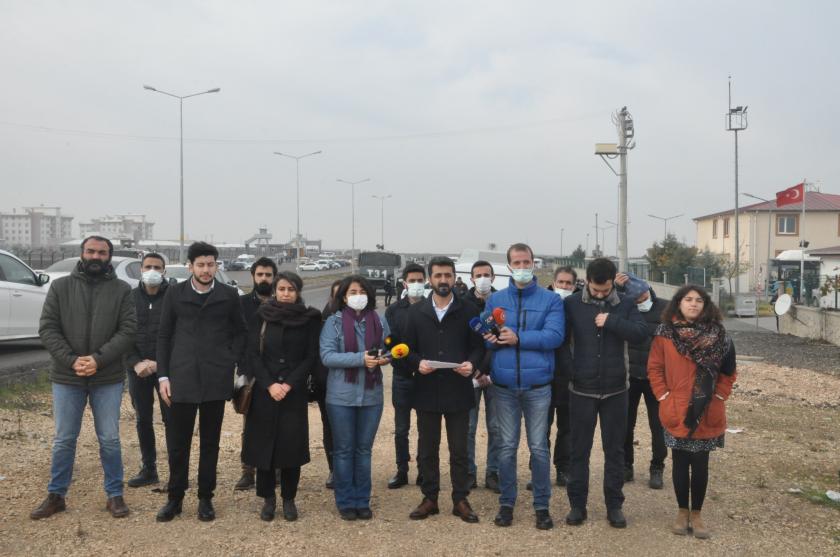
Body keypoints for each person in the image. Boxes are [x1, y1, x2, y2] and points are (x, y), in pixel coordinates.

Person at [32, 236, 137, 520]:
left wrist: (97, 359)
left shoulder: (121, 290)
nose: (95, 256)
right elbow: (48, 328)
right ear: (82, 254)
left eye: (102, 253)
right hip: (67, 376)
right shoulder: (60, 287)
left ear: (109, 257)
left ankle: (114, 495)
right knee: (64, 438)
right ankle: (56, 495)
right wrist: (72, 359)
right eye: (90, 251)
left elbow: (128, 331)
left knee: (110, 438)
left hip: (108, 377)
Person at [155, 242, 247, 522]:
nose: (206, 270)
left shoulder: (229, 295)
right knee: (178, 443)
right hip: (180, 378)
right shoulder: (175, 293)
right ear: (190, 266)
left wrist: (227, 359)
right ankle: (175, 498)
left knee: (210, 443)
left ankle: (206, 498)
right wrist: (163, 375)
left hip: (214, 380)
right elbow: (164, 336)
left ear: (217, 265)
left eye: (211, 264)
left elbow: (241, 333)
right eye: (201, 265)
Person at [560, 258, 648, 529]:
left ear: (613, 282)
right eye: (595, 289)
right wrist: (571, 371)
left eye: (605, 289)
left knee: (615, 451)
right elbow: (561, 343)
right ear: (587, 281)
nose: (600, 294)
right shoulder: (571, 304)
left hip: (616, 390)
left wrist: (612, 321)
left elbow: (640, 334)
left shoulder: (626, 303)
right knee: (578, 451)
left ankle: (614, 505)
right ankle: (577, 505)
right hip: (581, 389)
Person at [484, 244, 565, 530]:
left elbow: (554, 336)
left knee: (539, 448)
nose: (522, 266)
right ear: (508, 266)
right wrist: (490, 339)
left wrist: (519, 337)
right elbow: (485, 334)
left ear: (533, 263)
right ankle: (506, 503)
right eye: (516, 262)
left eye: (526, 261)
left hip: (538, 386)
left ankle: (542, 506)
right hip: (504, 386)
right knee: (506, 448)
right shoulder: (495, 299)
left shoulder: (551, 300)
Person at [648, 285, 736, 540]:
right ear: (678, 303)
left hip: (708, 409)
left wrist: (719, 396)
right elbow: (655, 368)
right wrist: (664, 397)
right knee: (679, 461)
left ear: (706, 304)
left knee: (700, 464)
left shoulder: (720, 335)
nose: (693, 304)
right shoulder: (665, 333)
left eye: (699, 300)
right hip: (676, 408)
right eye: (688, 299)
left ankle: (696, 514)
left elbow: (729, 372)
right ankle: (681, 511)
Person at [403, 257, 485, 523]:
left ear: (454, 278)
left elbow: (480, 346)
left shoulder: (470, 310)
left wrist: (472, 364)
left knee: (459, 449)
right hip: (426, 389)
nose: (443, 280)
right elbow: (404, 350)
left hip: (458, 390)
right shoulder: (415, 313)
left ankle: (460, 498)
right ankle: (430, 498)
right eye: (438, 276)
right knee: (427, 448)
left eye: (448, 275)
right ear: (430, 279)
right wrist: (417, 363)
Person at [242, 272, 321, 522]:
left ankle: (288, 498)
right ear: (275, 290)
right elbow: (253, 354)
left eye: (291, 289)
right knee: (264, 446)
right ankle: (268, 499)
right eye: (282, 288)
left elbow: (311, 356)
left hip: (293, 392)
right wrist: (269, 384)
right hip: (265, 392)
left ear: (298, 292)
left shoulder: (309, 319)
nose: (286, 293)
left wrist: (288, 384)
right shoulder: (262, 316)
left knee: (291, 448)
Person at [320, 275, 390, 521]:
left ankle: (362, 499)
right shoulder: (333, 323)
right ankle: (345, 500)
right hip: (341, 397)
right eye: (352, 291)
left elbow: (388, 349)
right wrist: (361, 359)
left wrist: (386, 357)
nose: (358, 295)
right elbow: (327, 356)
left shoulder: (379, 321)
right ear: (344, 297)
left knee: (363, 450)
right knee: (343, 450)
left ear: (369, 295)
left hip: (372, 396)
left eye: (362, 291)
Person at [615, 272, 669, 489]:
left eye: (643, 295)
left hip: (656, 379)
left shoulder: (666, 309)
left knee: (658, 426)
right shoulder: (625, 307)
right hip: (629, 377)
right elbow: (611, 311)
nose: (641, 300)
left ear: (648, 290)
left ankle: (657, 467)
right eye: (636, 298)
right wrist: (618, 291)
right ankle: (626, 465)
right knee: (625, 424)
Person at [125, 252, 171, 489]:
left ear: (164, 270)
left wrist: (160, 364)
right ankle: (149, 469)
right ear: (141, 270)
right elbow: (121, 334)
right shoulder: (129, 298)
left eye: (157, 267)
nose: (152, 270)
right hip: (138, 370)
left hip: (167, 371)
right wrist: (134, 362)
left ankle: (176, 471)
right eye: (148, 266)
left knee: (171, 419)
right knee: (143, 419)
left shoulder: (174, 297)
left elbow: (180, 334)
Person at [235, 257, 278, 491]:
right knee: (250, 424)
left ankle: (277, 469)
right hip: (249, 373)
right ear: (253, 276)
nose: (264, 279)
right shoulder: (240, 304)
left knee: (277, 423)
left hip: (276, 374)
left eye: (268, 275)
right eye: (260, 274)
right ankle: (248, 471)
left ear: (274, 277)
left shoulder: (283, 302)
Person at [383, 263, 427, 489]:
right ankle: (402, 469)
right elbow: (390, 340)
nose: (417, 284)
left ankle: (423, 470)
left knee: (425, 428)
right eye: (413, 280)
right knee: (401, 428)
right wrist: (406, 356)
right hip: (402, 376)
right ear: (404, 283)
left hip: (425, 376)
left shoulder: (431, 308)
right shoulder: (393, 310)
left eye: (420, 280)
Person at [464, 260, 500, 492]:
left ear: (494, 277)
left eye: (487, 274)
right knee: (468, 426)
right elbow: (460, 340)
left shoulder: (502, 303)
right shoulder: (462, 304)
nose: (483, 278)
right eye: (478, 275)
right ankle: (468, 472)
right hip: (470, 374)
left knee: (496, 427)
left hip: (497, 374)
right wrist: (476, 370)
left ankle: (493, 472)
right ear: (471, 278)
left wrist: (488, 371)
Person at [313, 279, 343, 489]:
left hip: (353, 385)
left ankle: (349, 469)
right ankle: (334, 468)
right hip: (326, 384)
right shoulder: (321, 322)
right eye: (336, 295)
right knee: (330, 427)